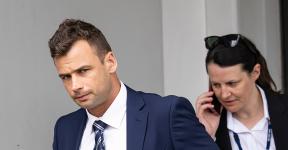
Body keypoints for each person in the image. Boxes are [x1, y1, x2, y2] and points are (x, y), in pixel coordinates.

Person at [48, 19, 218, 150]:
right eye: (65, 77)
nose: (75, 85)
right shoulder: (65, 129)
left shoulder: (166, 114)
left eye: (83, 70)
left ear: (110, 62)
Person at [195, 34, 288, 150]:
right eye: (216, 85)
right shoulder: (212, 128)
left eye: (232, 83)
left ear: (255, 72)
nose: (224, 94)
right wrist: (206, 137)